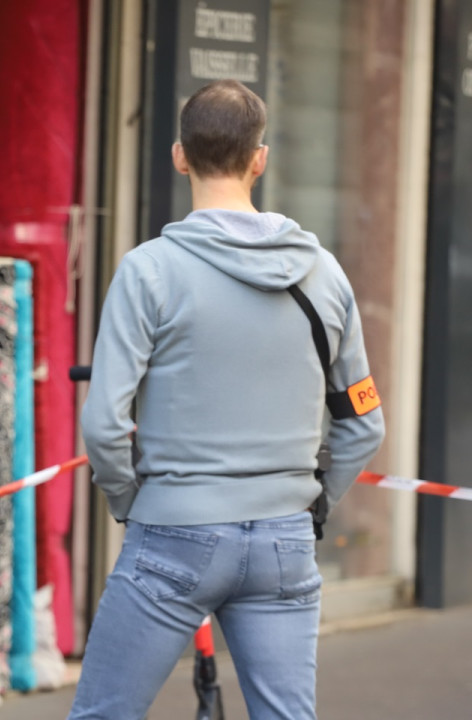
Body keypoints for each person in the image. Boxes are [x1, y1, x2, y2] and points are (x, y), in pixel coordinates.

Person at [68, 79, 385, 720]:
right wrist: (312, 506)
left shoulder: (148, 271)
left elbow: (105, 424)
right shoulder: (325, 275)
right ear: (260, 158)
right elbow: (364, 423)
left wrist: (131, 500)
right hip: (285, 543)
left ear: (180, 156)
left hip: (173, 532)